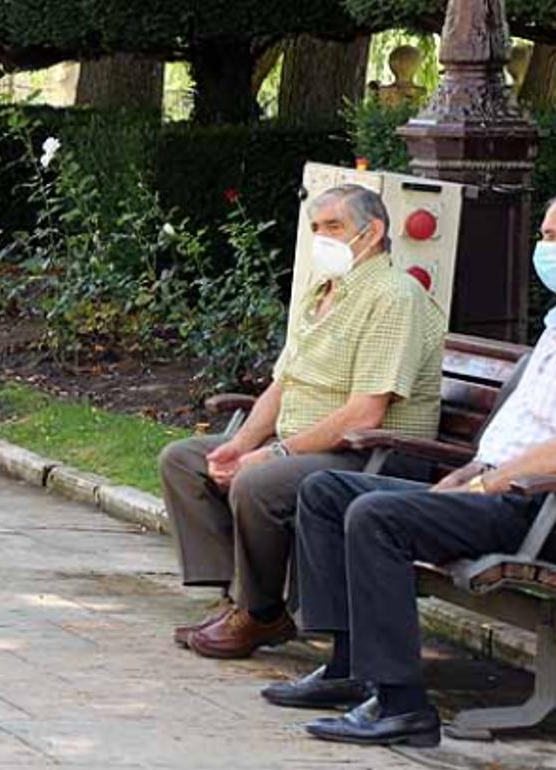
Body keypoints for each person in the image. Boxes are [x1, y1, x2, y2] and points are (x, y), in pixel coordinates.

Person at [274, 187, 556, 748]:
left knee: (376, 517)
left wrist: (488, 481)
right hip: (506, 493)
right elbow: (527, 433)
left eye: (551, 237)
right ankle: (349, 670)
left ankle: (403, 706)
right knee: (325, 491)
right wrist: (469, 475)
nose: (542, 248)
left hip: (553, 511)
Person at [158, 185, 445, 660]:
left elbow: (366, 412)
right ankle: (246, 601)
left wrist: (276, 452)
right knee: (187, 461)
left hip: (372, 455)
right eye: (316, 228)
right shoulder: (323, 292)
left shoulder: (394, 297)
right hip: (309, 444)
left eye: (334, 227)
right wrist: (240, 442)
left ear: (372, 232)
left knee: (258, 482)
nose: (322, 238)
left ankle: (258, 612)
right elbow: (284, 383)